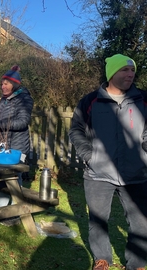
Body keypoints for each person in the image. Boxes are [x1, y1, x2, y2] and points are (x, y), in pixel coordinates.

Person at [68, 54, 147, 270]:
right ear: (111, 73)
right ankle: (102, 259)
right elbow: (76, 129)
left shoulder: (143, 99)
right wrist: (88, 154)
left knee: (141, 223)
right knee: (98, 221)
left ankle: (137, 264)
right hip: (98, 174)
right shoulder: (90, 101)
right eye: (125, 69)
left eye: (132, 70)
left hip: (137, 174)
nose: (130, 74)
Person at [0, 65, 33, 226]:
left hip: (17, 145)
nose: (3, 86)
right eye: (2, 83)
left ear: (15, 85)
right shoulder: (5, 99)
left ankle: (15, 213)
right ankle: (2, 208)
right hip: (3, 145)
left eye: (6, 84)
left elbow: (22, 122)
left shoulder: (24, 99)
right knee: (5, 177)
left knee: (15, 178)